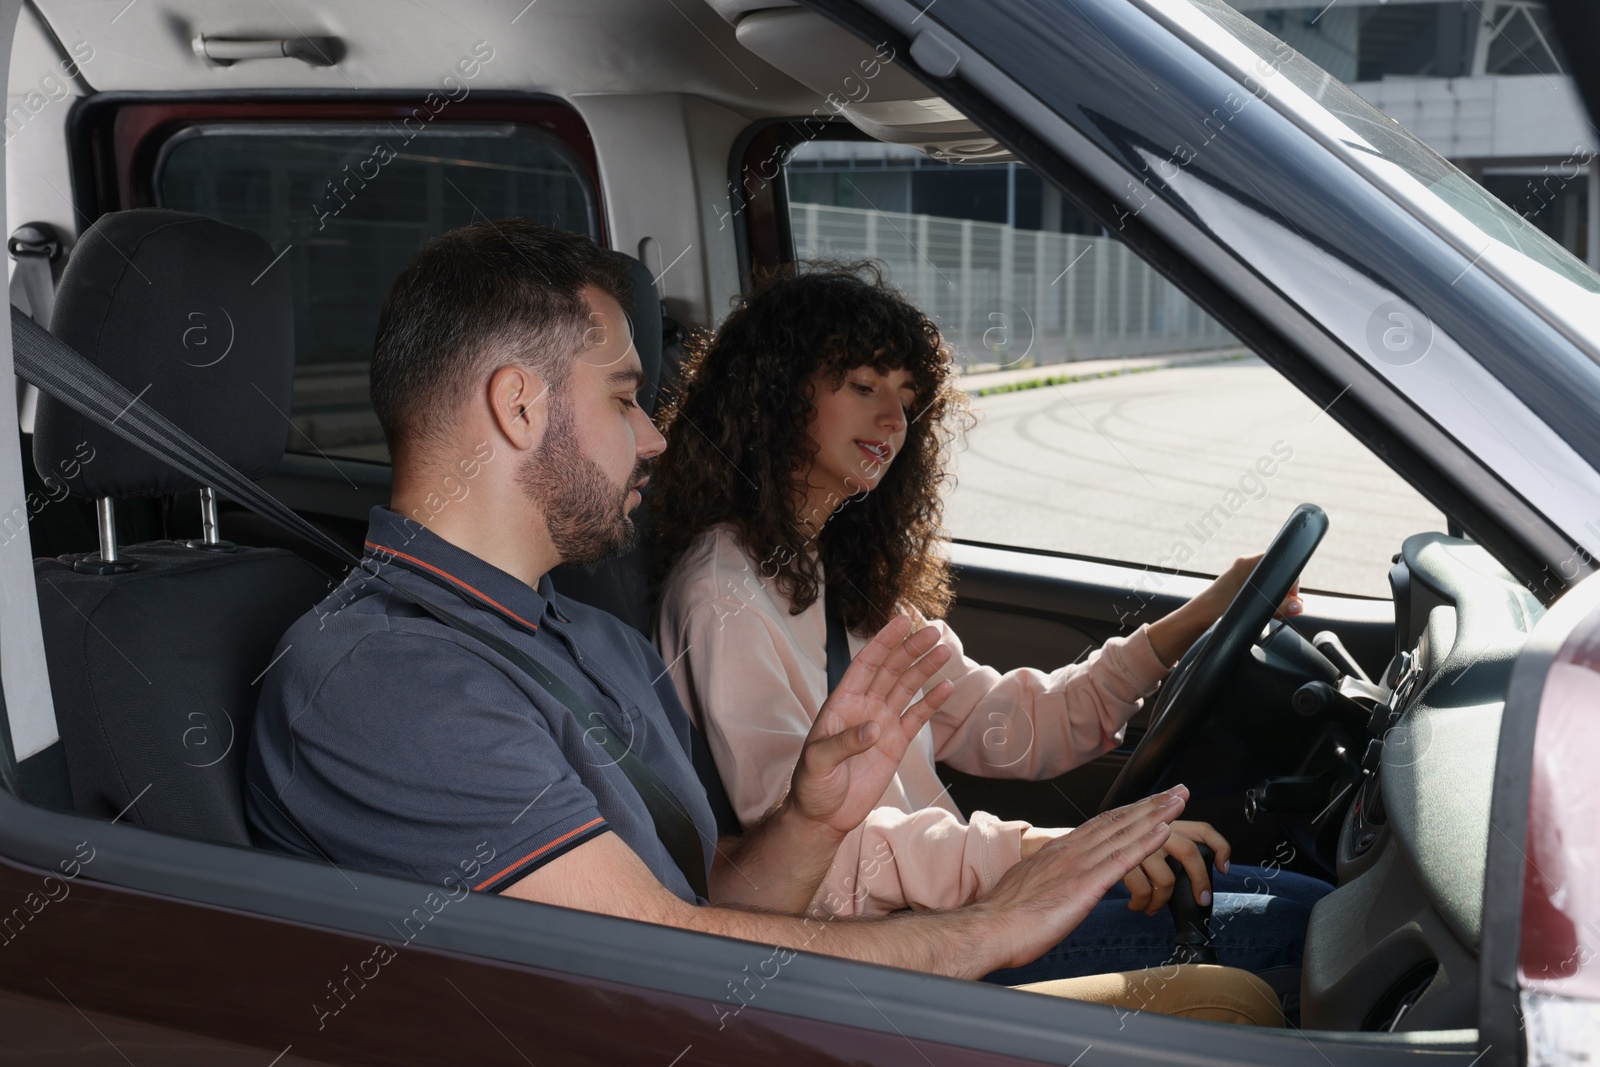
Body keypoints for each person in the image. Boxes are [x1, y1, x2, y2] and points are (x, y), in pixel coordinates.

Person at [243, 220, 1284, 1026]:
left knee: (1269, 944)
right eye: (623, 398)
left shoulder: (580, 637)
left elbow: (702, 896)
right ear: (519, 407)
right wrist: (998, 914)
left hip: (728, 1003)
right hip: (697, 1023)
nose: (653, 437)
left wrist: (811, 820)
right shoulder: (387, 678)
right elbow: (658, 958)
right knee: (1254, 978)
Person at [651, 263, 1333, 1003]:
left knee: (1297, 904)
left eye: (908, 400)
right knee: (1291, 931)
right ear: (778, 388)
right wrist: (1049, 851)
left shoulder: (841, 575)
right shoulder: (723, 590)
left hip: (958, 910)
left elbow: (1011, 723)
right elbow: (820, 857)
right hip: (894, 953)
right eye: (864, 385)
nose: (893, 420)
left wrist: (1202, 614)